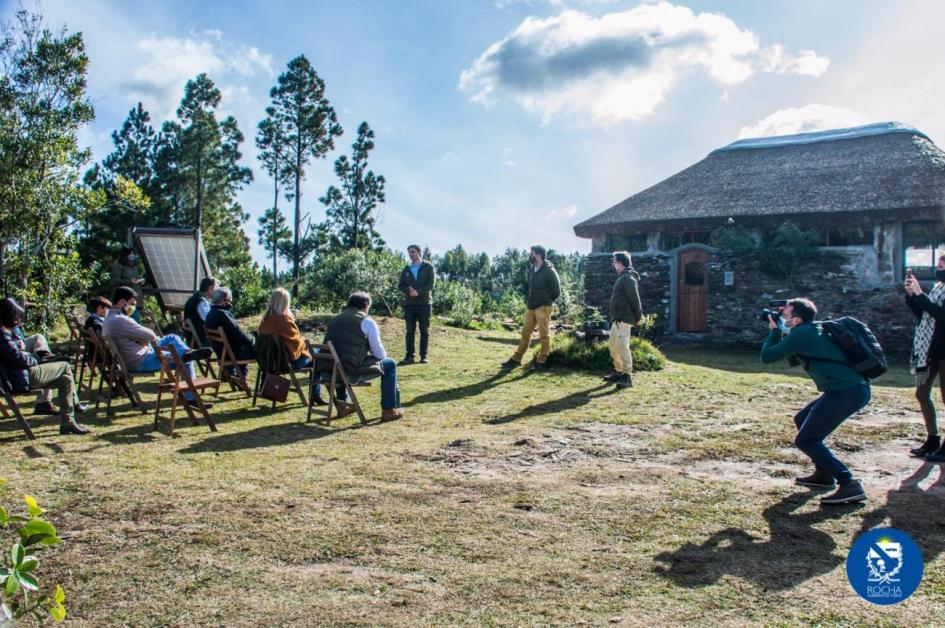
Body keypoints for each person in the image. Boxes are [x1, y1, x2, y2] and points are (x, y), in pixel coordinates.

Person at [760, 298, 870, 505]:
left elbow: (767, 356)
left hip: (847, 392)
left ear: (797, 320)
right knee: (802, 418)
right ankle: (823, 474)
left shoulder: (802, 333)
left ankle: (849, 483)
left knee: (806, 440)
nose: (782, 316)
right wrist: (784, 323)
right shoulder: (811, 329)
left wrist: (774, 331)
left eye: (786, 315)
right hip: (846, 389)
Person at [103, 286, 211, 408]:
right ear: (122, 302)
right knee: (186, 360)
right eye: (132, 304)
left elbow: (142, 337)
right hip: (141, 360)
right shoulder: (121, 320)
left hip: (136, 354)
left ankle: (186, 352)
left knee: (171, 337)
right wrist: (142, 339)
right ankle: (192, 399)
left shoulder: (109, 318)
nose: (133, 307)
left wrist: (141, 340)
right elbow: (150, 335)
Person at [0, 298, 90, 434]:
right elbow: (18, 359)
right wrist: (35, 358)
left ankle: (68, 423)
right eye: (15, 317)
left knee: (65, 380)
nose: (17, 321)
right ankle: (75, 404)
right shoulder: (2, 335)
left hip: (16, 376)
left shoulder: (4, 333)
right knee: (65, 365)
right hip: (19, 378)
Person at [324, 291, 403, 421]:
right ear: (366, 306)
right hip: (350, 372)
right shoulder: (366, 321)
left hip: (330, 371)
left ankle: (343, 405)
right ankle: (389, 410)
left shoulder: (335, 319)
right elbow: (379, 354)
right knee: (390, 364)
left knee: (342, 360)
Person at [904, 260, 945, 461]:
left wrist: (921, 295)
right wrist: (912, 296)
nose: (938, 270)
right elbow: (924, 314)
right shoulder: (938, 289)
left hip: (944, 351)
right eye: (938, 266)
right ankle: (933, 438)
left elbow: (941, 315)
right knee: (922, 393)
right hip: (927, 350)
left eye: (942, 267)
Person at [501, 245, 560, 371]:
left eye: (532, 253)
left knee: (544, 335)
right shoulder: (531, 270)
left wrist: (547, 302)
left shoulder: (549, 271)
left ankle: (541, 361)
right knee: (525, 333)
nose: (530, 255)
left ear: (538, 255)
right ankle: (516, 359)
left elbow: (557, 291)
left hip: (544, 306)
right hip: (531, 306)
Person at [603, 251, 642, 389]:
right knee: (613, 347)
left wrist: (637, 317)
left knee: (622, 347)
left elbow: (635, 300)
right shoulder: (622, 277)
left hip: (624, 319)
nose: (613, 264)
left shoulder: (627, 278)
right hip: (617, 320)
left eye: (614, 261)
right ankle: (619, 372)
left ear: (620, 263)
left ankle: (627, 376)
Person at [397, 245, 436, 365]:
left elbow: (431, 285)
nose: (411, 254)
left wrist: (418, 292)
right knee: (410, 332)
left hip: (424, 304)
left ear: (419, 253)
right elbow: (400, 285)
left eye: (413, 252)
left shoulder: (428, 267)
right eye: (409, 252)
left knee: (424, 331)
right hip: (409, 305)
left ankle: (424, 356)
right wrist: (408, 290)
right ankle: (409, 356)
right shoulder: (406, 269)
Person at [205, 287, 255, 379]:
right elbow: (238, 333)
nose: (230, 303)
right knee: (259, 348)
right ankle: (242, 377)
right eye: (229, 300)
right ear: (223, 300)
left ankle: (236, 376)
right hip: (232, 353)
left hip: (222, 352)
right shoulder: (222, 314)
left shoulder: (210, 314)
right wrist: (252, 338)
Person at [109, 247, 145, 320]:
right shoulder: (117, 266)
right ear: (125, 255)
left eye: (133, 254)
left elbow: (135, 280)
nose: (133, 256)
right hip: (124, 303)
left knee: (134, 325)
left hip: (135, 303)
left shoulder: (133, 268)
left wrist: (140, 281)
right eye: (131, 254)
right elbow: (114, 282)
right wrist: (129, 281)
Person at [183, 277, 218, 348]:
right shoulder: (201, 301)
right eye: (215, 289)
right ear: (210, 288)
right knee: (228, 339)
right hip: (201, 341)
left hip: (192, 339)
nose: (216, 292)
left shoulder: (194, 298)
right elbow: (209, 320)